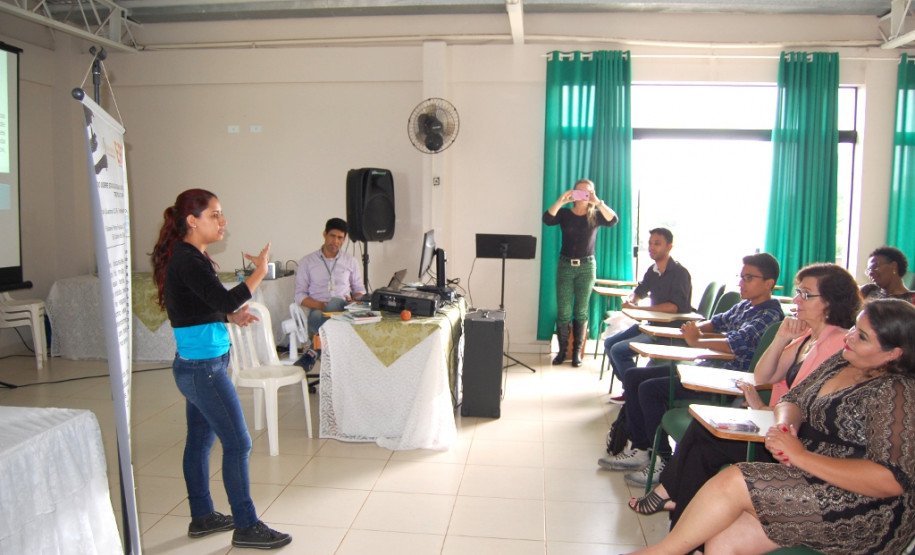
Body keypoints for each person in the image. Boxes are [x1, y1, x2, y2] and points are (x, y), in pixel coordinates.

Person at [631, 298, 915, 555]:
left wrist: (800, 456)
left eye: (862, 337)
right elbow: (793, 399)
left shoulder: (896, 392)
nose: (849, 337)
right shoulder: (842, 361)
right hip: (811, 478)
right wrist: (783, 429)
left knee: (736, 480)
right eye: (854, 328)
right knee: (724, 539)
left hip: (865, 508)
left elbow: (890, 479)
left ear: (893, 353)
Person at [627, 263, 861, 528]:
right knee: (702, 437)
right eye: (798, 292)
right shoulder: (806, 336)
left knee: (703, 439)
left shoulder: (837, 344)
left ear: (831, 302)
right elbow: (763, 376)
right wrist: (781, 337)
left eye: (806, 294)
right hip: (773, 427)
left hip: (792, 443)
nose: (796, 300)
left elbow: (808, 409)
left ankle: (671, 498)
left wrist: (763, 408)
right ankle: (678, 505)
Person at [151, 189, 292, 549]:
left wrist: (229, 316)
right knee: (238, 442)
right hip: (202, 370)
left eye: (221, 213)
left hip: (200, 365)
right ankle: (246, 525)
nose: (222, 221)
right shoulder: (188, 259)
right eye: (215, 214)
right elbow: (226, 297)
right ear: (192, 221)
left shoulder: (190, 255)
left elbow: (198, 307)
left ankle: (202, 517)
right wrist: (260, 271)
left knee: (199, 441)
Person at [599, 253, 784, 486]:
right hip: (709, 369)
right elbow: (716, 322)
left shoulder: (769, 314)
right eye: (741, 276)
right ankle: (641, 448)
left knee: (649, 390)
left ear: (769, 283)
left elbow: (734, 343)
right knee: (635, 376)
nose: (741, 282)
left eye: (749, 278)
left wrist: (697, 341)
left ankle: (663, 460)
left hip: (726, 383)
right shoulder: (745, 305)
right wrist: (693, 329)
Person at [603, 227, 693, 403]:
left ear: (669, 247)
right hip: (652, 324)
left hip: (669, 331)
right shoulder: (653, 270)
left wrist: (639, 310)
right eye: (650, 243)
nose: (652, 247)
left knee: (619, 350)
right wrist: (633, 299)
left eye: (657, 243)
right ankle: (631, 388)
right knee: (609, 342)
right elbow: (641, 290)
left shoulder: (680, 273)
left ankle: (633, 392)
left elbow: (674, 307)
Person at [542, 178, 619, 367]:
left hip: (587, 266)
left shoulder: (596, 215)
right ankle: (562, 352)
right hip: (565, 266)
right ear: (573, 193)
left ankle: (576, 353)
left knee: (581, 310)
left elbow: (613, 220)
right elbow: (547, 219)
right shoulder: (565, 214)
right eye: (580, 192)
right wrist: (561, 200)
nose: (584, 196)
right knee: (564, 311)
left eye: (588, 192)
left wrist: (598, 202)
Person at [294, 217, 366, 336]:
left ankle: (316, 348)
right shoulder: (307, 262)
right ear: (325, 234)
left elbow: (359, 290)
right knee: (318, 316)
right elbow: (299, 295)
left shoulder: (351, 261)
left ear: (344, 239)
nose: (335, 241)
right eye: (332, 236)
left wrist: (355, 300)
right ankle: (335, 338)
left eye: (340, 238)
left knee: (336, 302)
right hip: (318, 310)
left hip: (344, 309)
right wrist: (320, 305)